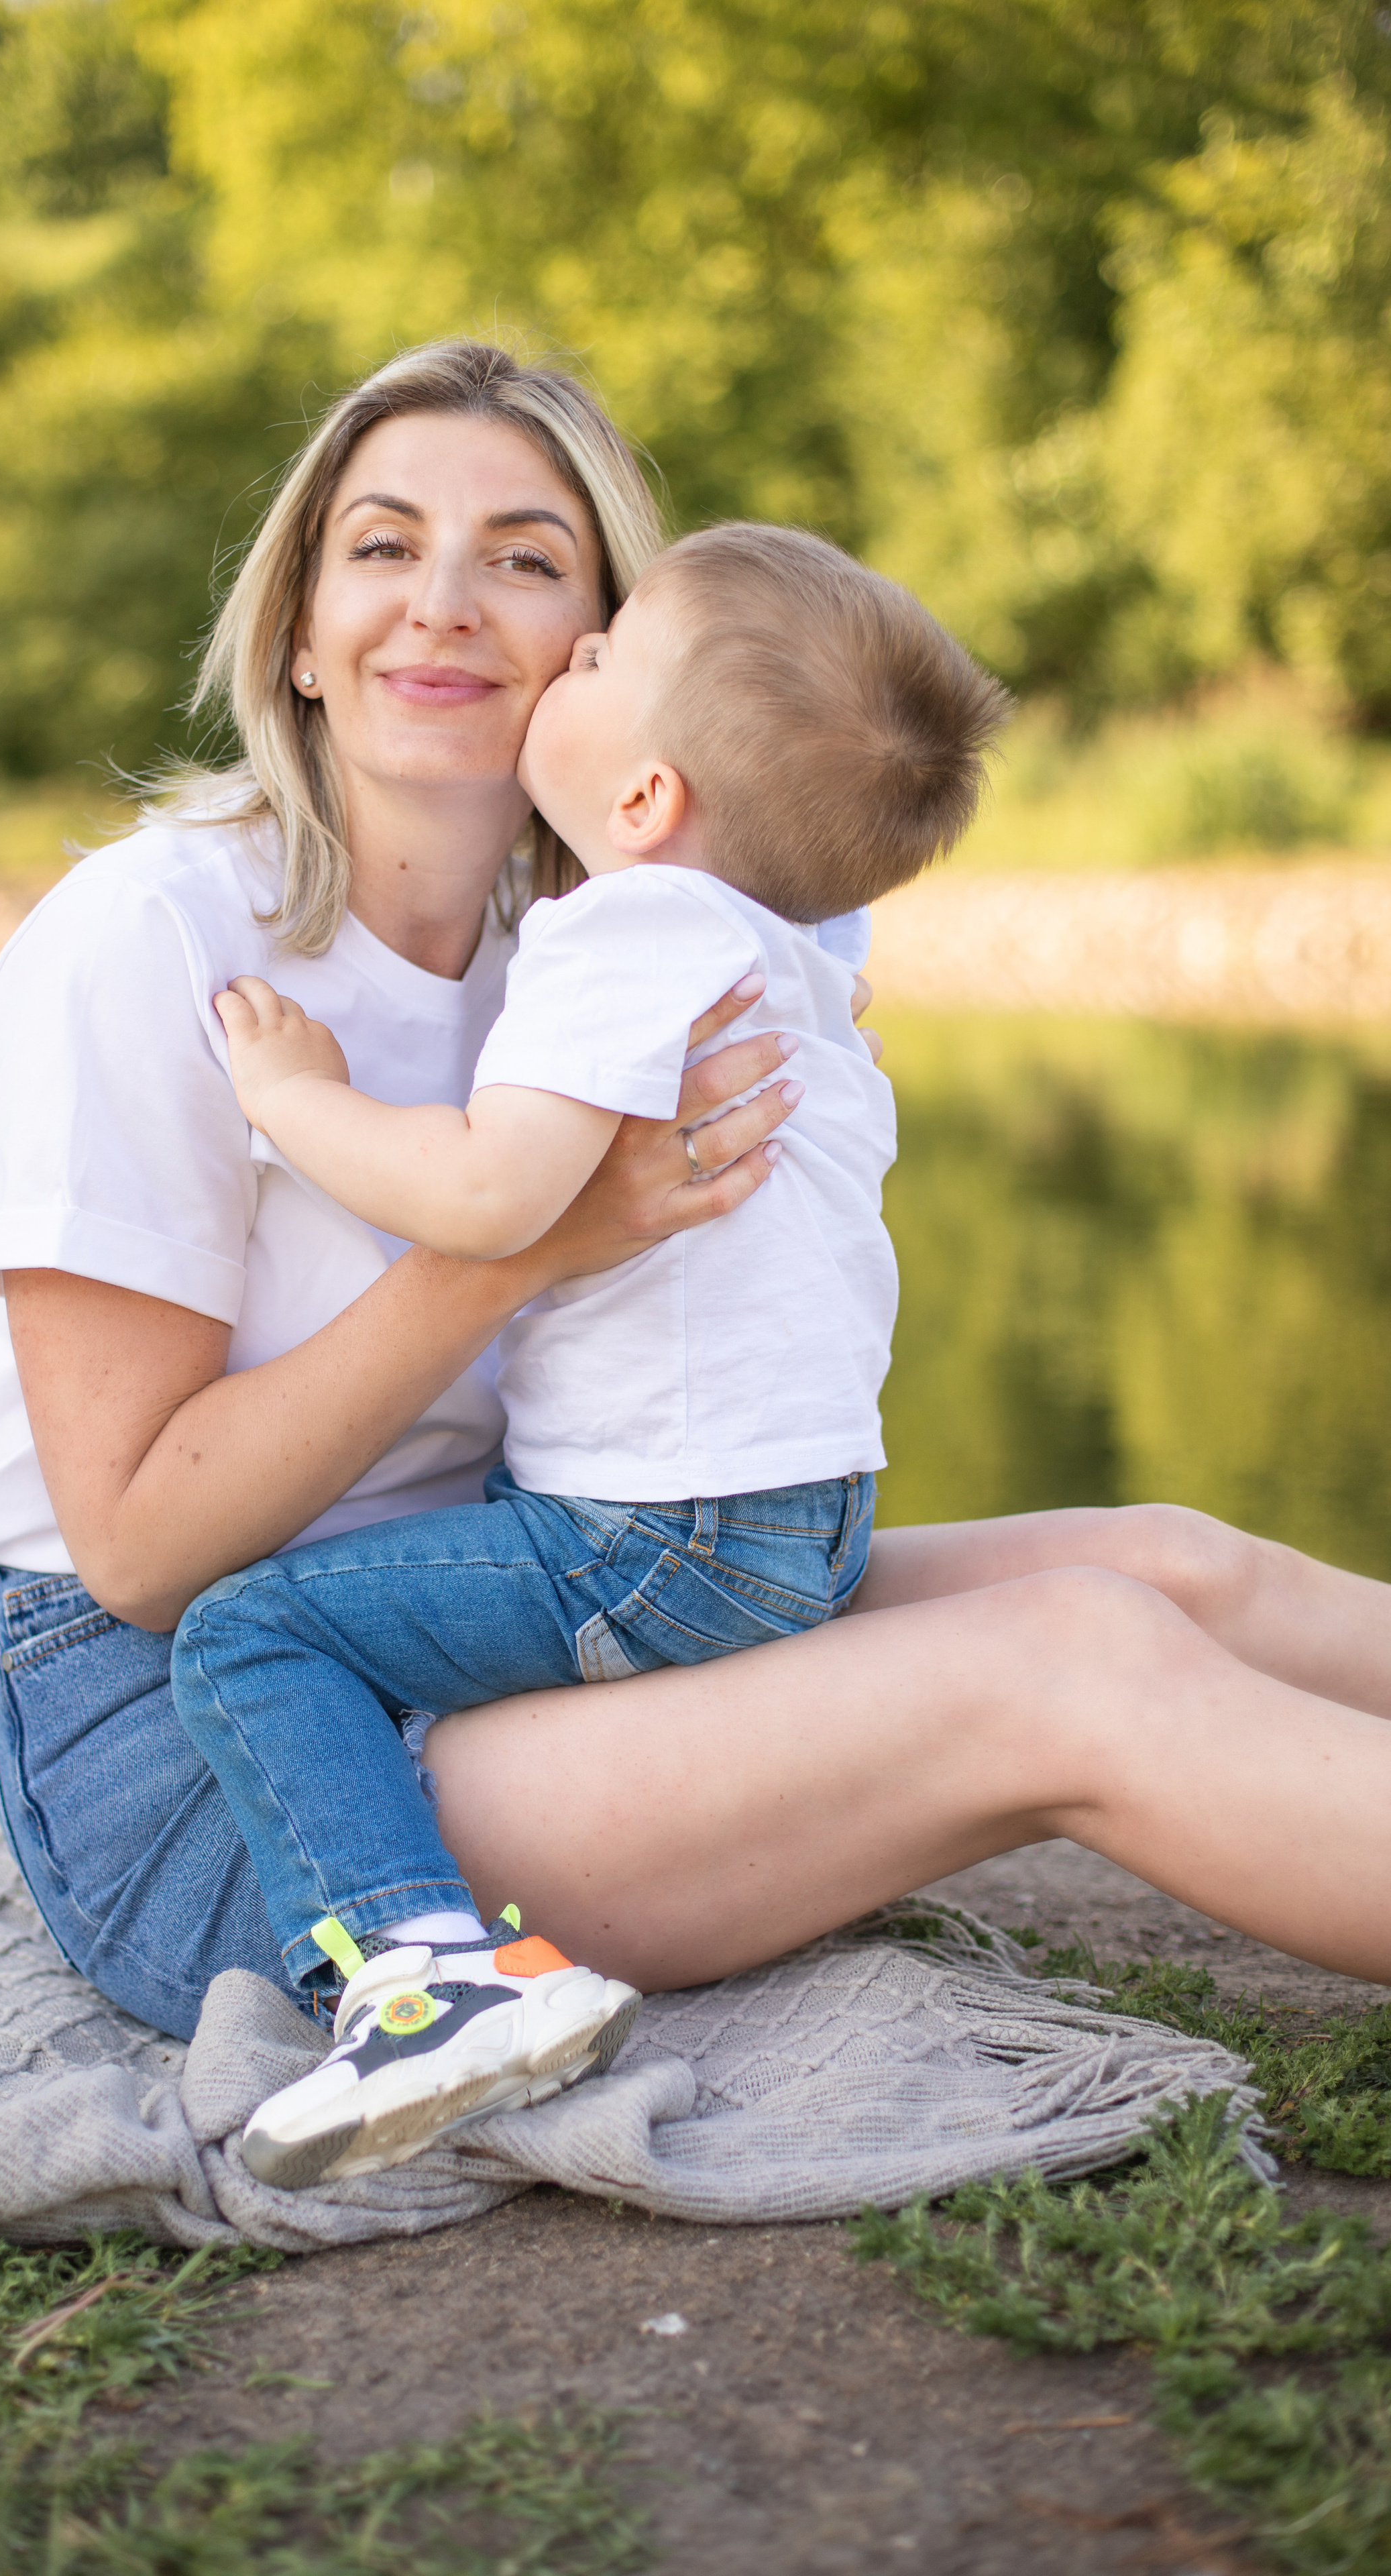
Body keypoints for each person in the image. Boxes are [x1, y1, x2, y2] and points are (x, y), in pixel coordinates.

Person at [0, 339, 1391, 2114]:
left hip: (523, 1587)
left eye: (524, 558)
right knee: (1071, 1668)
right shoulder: (152, 947)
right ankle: (408, 1986)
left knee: (1161, 1563)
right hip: (224, 1754)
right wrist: (526, 1248)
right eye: (379, 546)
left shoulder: (631, 931)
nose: (442, 603)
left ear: (614, 650)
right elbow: (134, 1553)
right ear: (294, 626)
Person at [170, 523, 1011, 2190]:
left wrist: (293, 1103)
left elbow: (493, 1195)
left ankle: (425, 1982)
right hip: (804, 1514)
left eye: (603, 659)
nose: (567, 656)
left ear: (640, 804)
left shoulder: (630, 934)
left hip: (667, 1533)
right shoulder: (791, 946)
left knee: (247, 1628)